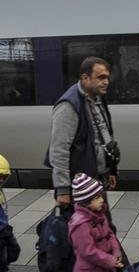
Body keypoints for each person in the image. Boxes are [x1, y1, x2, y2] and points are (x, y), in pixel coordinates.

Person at [47, 56, 119, 209]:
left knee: (100, 228)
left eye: (107, 77)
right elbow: (59, 149)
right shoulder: (69, 105)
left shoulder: (98, 98)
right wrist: (63, 189)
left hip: (95, 180)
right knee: (79, 228)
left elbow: (104, 137)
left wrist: (110, 169)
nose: (107, 82)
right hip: (79, 186)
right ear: (85, 78)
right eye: (101, 77)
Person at [65, 173, 123, 272]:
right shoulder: (81, 224)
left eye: (101, 196)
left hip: (103, 265)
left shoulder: (98, 214)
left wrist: (116, 251)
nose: (102, 200)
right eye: (97, 198)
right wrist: (111, 260)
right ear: (86, 202)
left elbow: (110, 234)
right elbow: (87, 252)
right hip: (89, 269)